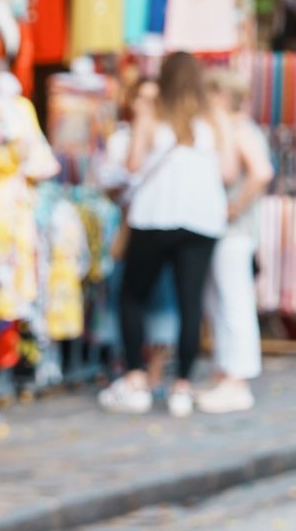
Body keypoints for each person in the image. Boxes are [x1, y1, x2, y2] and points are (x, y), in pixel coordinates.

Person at [98, 52, 234, 418]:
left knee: (132, 295)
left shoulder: (152, 112)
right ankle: (182, 387)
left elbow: (132, 164)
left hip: (155, 216)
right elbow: (228, 171)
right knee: (190, 301)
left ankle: (136, 379)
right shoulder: (213, 116)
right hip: (201, 219)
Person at [195, 69, 274, 414]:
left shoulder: (239, 129)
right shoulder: (233, 129)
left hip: (235, 231)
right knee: (222, 302)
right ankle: (227, 374)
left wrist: (234, 207)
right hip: (229, 230)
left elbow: (261, 172)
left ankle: (236, 380)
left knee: (233, 302)